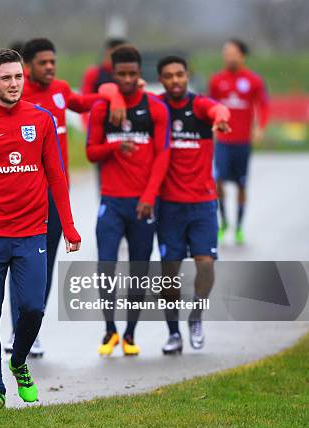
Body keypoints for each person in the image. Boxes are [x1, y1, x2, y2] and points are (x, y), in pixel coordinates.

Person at [0, 48, 81, 412]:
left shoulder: (40, 120)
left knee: (32, 307)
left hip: (31, 233)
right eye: (6, 78)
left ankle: (19, 360)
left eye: (18, 77)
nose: (14, 84)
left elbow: (56, 177)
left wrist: (69, 226)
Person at [3, 38, 125, 357]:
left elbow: (86, 103)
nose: (50, 67)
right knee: (21, 263)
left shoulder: (60, 89)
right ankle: (17, 330)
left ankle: (31, 330)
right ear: (27, 67)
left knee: (44, 264)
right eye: (43, 63)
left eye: (52, 62)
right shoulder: (16, 95)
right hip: (24, 194)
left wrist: (111, 91)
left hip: (57, 195)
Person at [86, 45, 170, 357]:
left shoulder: (156, 109)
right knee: (106, 266)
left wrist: (149, 196)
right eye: (121, 74)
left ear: (139, 74)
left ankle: (131, 333)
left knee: (139, 268)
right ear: (113, 74)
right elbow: (91, 152)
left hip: (143, 204)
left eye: (132, 74)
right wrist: (115, 148)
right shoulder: (101, 109)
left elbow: (163, 156)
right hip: (111, 202)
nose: (127, 79)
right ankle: (110, 330)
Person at [156, 55, 231, 354]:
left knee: (206, 265)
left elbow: (218, 107)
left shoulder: (199, 106)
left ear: (188, 76)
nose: (175, 80)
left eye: (180, 74)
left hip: (202, 204)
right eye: (169, 76)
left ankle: (196, 316)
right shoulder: (157, 107)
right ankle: (173, 332)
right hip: (169, 206)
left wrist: (222, 117)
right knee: (169, 272)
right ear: (161, 80)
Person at [209, 39, 269, 244]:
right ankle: (224, 221)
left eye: (232, 53)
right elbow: (210, 105)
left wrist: (260, 128)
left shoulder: (253, 80)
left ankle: (239, 227)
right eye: (225, 53)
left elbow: (264, 105)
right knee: (218, 182)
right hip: (223, 141)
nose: (228, 56)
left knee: (242, 185)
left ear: (242, 55)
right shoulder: (217, 80)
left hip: (243, 141)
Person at [80, 38, 127, 128]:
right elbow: (84, 99)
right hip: (99, 122)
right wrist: (87, 124)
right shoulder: (94, 73)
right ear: (108, 52)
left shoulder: (129, 74)